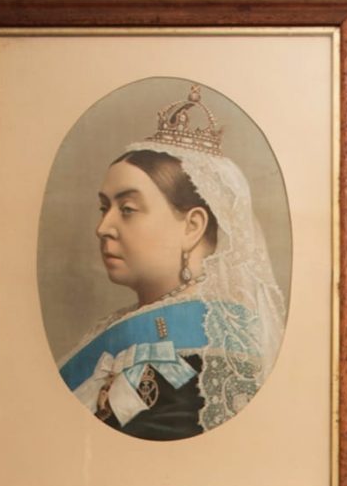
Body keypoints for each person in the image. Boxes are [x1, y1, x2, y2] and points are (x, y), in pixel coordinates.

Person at [57, 86, 287, 440]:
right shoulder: (125, 326)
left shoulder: (208, 360)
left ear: (192, 227)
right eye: (105, 208)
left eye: (128, 210)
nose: (102, 228)